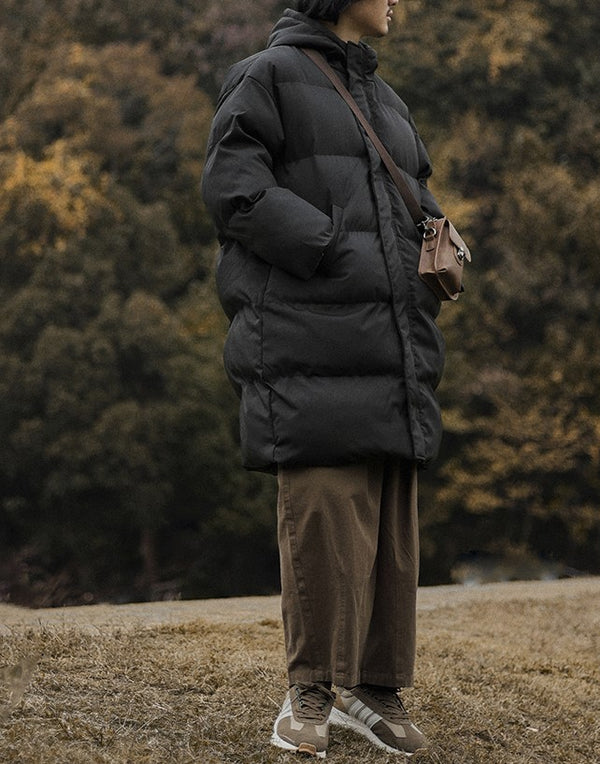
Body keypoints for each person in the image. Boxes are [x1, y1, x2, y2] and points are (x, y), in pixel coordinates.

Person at [202, 0, 447, 757]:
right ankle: (309, 688)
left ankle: (373, 691)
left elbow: (416, 193)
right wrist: (331, 246)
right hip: (309, 342)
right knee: (321, 512)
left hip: (391, 345)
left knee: (391, 532)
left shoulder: (388, 100)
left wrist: (437, 235)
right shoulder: (265, 75)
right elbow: (233, 190)